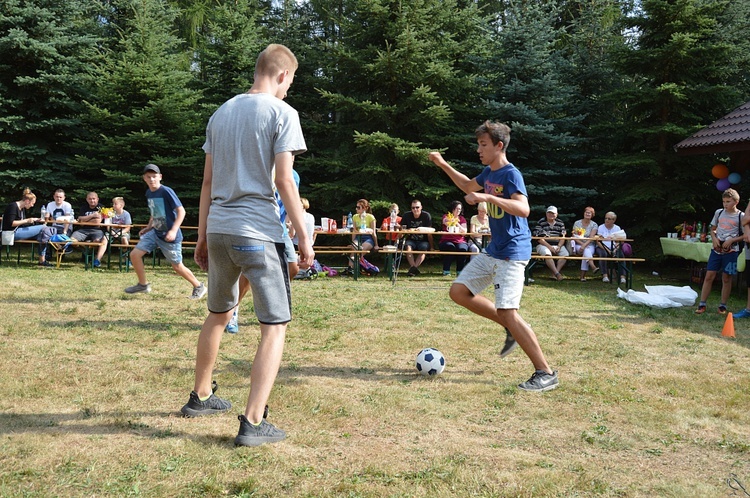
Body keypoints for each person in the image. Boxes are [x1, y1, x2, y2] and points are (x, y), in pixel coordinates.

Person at [182, 43, 313, 448]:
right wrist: (304, 236)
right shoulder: (282, 113)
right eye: (290, 82)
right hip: (257, 231)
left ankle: (201, 397)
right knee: (275, 325)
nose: (289, 90)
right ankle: (254, 422)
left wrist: (202, 236)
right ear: (281, 75)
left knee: (218, 314)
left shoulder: (220, 113)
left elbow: (206, 183)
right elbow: (284, 181)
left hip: (219, 228)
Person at [429, 120, 558, 392]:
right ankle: (512, 326)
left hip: (513, 253)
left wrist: (488, 199)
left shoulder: (511, 174)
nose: (479, 149)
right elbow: (467, 185)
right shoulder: (489, 172)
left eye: (483, 145)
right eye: (478, 144)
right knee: (459, 292)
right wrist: (442, 164)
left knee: (509, 311)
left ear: (499, 146)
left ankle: (545, 372)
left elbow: (523, 209)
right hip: (494, 251)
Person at [124, 164, 206, 299]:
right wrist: (148, 227)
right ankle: (143, 285)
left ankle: (198, 286)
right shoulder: (149, 193)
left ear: (160, 177)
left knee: (177, 266)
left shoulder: (166, 191)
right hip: (155, 232)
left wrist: (173, 230)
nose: (152, 180)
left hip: (170, 236)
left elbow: (181, 211)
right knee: (134, 255)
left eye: (154, 177)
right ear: (144, 178)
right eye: (148, 177)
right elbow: (155, 212)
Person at [695, 188, 744, 314]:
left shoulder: (741, 216)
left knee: (727, 278)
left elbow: (745, 235)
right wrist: (714, 239)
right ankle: (702, 304)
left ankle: (722, 305)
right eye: (724, 201)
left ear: (736, 202)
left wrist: (732, 240)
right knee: (709, 275)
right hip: (716, 250)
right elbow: (713, 229)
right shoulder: (719, 212)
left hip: (732, 252)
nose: (725, 204)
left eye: (728, 201)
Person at [2, 189, 47, 265]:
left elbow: (22, 223)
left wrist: (34, 219)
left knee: (43, 234)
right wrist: (27, 220)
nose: (32, 205)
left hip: (18, 231)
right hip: (11, 233)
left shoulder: (21, 209)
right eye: (32, 203)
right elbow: (11, 223)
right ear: (27, 201)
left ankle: (42, 260)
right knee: (43, 227)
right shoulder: (13, 206)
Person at [70, 192, 108, 268]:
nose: (92, 201)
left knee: (97, 242)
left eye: (94, 199)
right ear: (87, 199)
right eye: (90, 199)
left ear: (97, 199)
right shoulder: (84, 207)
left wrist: (84, 220)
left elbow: (97, 222)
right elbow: (79, 219)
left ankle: (94, 258)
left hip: (97, 230)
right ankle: (86, 251)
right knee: (71, 240)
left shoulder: (102, 208)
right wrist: (93, 215)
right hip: (83, 230)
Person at [532, 206, 568, 281]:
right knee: (547, 254)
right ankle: (557, 274)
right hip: (543, 245)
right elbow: (539, 238)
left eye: (553, 213)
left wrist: (559, 246)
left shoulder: (560, 223)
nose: (551, 214)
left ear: (556, 214)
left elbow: (563, 237)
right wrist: (550, 247)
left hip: (557, 245)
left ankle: (554, 274)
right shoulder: (541, 222)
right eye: (549, 212)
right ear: (546, 213)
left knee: (565, 254)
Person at [400, 199, 433, 276]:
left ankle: (412, 269)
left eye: (417, 207)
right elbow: (402, 230)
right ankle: (413, 268)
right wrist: (408, 230)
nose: (415, 209)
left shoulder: (426, 216)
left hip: (423, 240)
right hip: (411, 239)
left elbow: (429, 232)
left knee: (424, 248)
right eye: (413, 208)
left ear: (421, 207)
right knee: (408, 247)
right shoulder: (406, 215)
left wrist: (432, 247)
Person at [595, 211, 627, 284]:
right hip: (602, 247)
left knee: (621, 255)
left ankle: (622, 277)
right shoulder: (601, 227)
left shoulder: (617, 228)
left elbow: (620, 241)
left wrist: (615, 249)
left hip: (614, 247)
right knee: (603, 254)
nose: (607, 220)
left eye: (609, 219)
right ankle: (605, 275)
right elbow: (598, 241)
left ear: (614, 220)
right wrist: (607, 250)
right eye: (606, 218)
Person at [347, 198, 378, 273]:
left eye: (358, 207)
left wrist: (376, 244)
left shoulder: (370, 217)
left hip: (368, 238)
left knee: (359, 252)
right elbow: (354, 232)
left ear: (365, 208)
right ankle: (350, 269)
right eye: (356, 207)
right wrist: (353, 242)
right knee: (354, 250)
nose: (356, 209)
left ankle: (354, 269)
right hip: (358, 237)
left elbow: (373, 232)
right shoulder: (354, 217)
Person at [439, 200, 470, 276]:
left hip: (460, 241)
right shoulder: (446, 216)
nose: (458, 211)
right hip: (446, 240)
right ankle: (446, 270)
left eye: (460, 209)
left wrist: (457, 223)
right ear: (452, 209)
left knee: (462, 249)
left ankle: (460, 271)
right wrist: (453, 220)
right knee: (450, 247)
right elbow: (446, 222)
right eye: (457, 209)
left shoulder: (462, 219)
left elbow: (464, 231)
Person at [570, 206, 599, 281]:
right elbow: (574, 236)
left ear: (592, 215)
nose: (587, 214)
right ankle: (593, 267)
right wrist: (582, 245)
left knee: (586, 252)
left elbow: (591, 238)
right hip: (577, 244)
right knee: (586, 251)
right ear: (584, 213)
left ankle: (582, 277)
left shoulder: (594, 225)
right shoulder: (577, 223)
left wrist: (584, 245)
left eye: (590, 213)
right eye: (586, 212)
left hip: (590, 244)